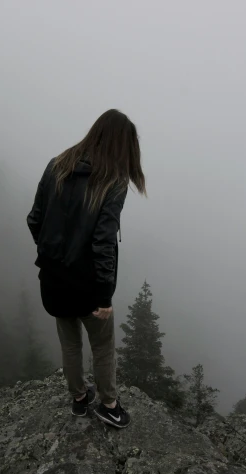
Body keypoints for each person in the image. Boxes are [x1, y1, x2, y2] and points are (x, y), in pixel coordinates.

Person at [26, 109, 146, 429]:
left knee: (69, 342)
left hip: (52, 278)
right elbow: (103, 242)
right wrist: (105, 295)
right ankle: (108, 404)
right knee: (103, 345)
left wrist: (52, 257)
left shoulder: (58, 165)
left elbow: (34, 220)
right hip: (90, 285)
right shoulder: (113, 181)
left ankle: (79, 399)